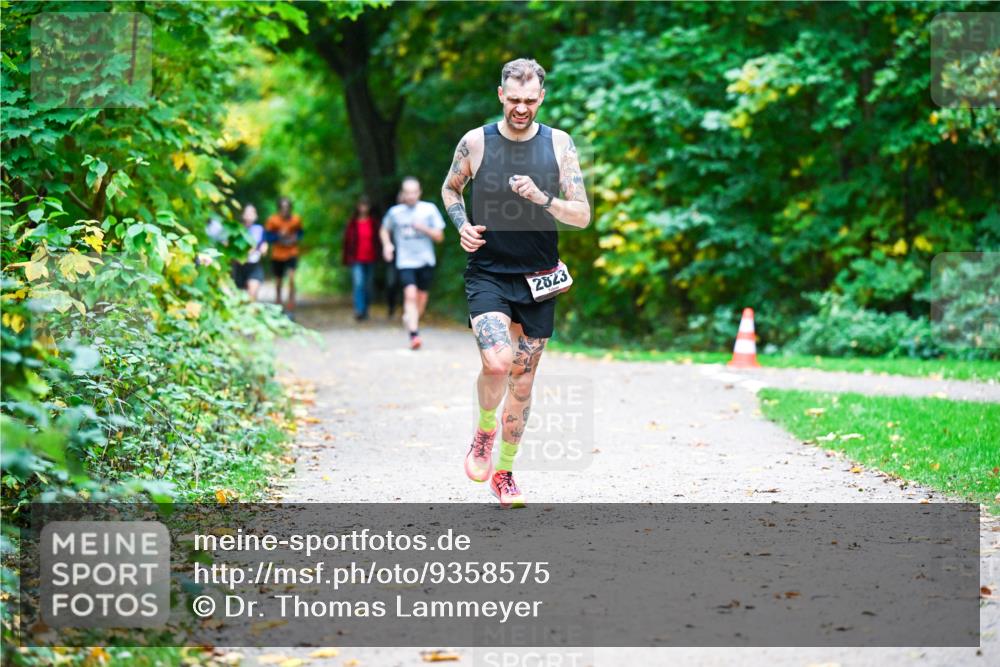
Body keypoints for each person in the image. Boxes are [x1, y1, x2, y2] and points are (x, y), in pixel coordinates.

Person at [440, 58, 590, 508]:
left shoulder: (559, 144)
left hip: (540, 278)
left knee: (522, 383)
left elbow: (581, 215)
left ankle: (504, 473)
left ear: (541, 98)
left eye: (529, 100)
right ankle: (484, 432)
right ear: (501, 95)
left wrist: (544, 199)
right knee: (497, 362)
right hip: (488, 271)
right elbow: (451, 189)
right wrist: (462, 225)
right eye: (514, 99)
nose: (521, 108)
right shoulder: (476, 142)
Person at [379, 177, 446, 350]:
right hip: (405, 261)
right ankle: (414, 335)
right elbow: (384, 229)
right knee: (410, 295)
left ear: (419, 192)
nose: (410, 196)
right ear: (403, 193)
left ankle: (411, 319)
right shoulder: (395, 212)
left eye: (414, 192)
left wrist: (424, 228)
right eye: (407, 193)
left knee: (421, 299)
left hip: (425, 260)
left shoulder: (429, 209)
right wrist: (387, 245)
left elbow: (440, 237)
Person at [342, 196, 380, 320]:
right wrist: (346, 258)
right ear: (358, 207)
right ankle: (359, 310)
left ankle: (366, 309)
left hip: (370, 257)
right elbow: (346, 242)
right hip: (356, 258)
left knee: (368, 285)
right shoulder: (352, 223)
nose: (363, 208)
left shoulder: (373, 223)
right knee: (358, 283)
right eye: (361, 205)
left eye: (366, 205)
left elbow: (378, 240)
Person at [265, 196, 303, 318]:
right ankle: (278, 305)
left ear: (290, 208)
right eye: (283, 207)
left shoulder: (296, 219)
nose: (285, 209)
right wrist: (279, 236)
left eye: (287, 207)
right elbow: (268, 237)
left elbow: (300, 232)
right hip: (278, 254)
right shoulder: (273, 220)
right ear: (279, 208)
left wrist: (295, 238)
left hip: (292, 252)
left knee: (291, 279)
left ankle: (291, 307)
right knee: (279, 281)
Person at [232, 204, 268, 301]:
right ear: (243, 215)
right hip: (239, 266)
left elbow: (264, 245)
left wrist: (263, 249)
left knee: (252, 294)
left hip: (254, 266)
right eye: (247, 213)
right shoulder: (237, 229)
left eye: (252, 213)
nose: (249, 216)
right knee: (240, 298)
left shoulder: (259, 229)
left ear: (256, 216)